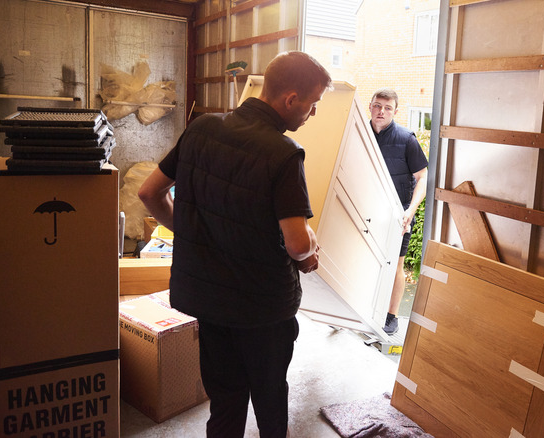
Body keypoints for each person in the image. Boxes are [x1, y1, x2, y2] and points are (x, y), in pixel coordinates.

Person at [138, 51, 332, 438]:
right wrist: (310, 247)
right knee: (270, 399)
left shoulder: (201, 128)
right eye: (312, 105)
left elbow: (149, 193)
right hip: (262, 308)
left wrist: (191, 231)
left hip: (208, 301)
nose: (312, 115)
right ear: (290, 99)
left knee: (225, 401)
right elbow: (296, 244)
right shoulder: (284, 153)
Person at [369, 88, 428, 335]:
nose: (381, 111)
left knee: (396, 265)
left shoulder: (407, 139)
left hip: (399, 214)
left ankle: (391, 316)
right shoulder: (360, 134)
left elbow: (423, 177)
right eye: (377, 105)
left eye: (388, 107)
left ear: (395, 111)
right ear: (370, 106)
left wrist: (410, 211)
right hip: (367, 209)